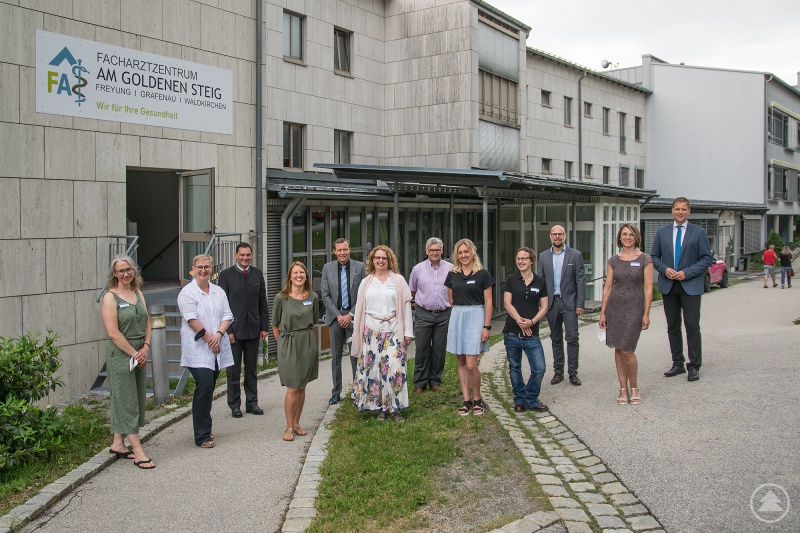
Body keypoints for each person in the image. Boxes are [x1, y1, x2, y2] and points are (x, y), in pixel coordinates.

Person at [650, 197, 713, 382]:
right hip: (669, 285)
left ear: (689, 211)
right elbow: (654, 256)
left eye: (683, 209)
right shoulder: (662, 232)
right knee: (672, 326)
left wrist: (686, 273)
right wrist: (664, 269)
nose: (680, 212)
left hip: (690, 285)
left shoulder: (699, 232)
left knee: (692, 326)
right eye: (677, 209)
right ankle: (677, 362)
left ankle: (694, 366)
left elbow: (706, 259)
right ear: (672, 210)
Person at [101, 255, 154, 470]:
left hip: (139, 350)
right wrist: (135, 353)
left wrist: (146, 348)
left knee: (136, 396)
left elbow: (147, 323)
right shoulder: (110, 297)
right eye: (121, 271)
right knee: (127, 399)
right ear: (114, 274)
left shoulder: (138, 293)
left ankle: (118, 443)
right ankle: (138, 450)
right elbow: (113, 333)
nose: (125, 274)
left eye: (128, 269)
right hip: (122, 353)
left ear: (134, 271)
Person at [351, 245, 413, 422]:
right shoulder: (366, 282)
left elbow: (406, 307)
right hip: (371, 332)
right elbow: (360, 310)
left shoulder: (398, 280)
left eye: (384, 258)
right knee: (376, 371)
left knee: (394, 368)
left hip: (394, 330)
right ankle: (379, 407)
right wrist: (359, 334)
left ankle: (395, 408)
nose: (380, 261)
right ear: (372, 260)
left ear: (389, 260)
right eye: (377, 258)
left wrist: (407, 332)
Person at [177, 254, 234, 448]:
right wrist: (210, 340)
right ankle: (201, 435)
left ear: (212, 269)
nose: (203, 271)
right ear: (193, 269)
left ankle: (206, 427)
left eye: (207, 267)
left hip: (216, 347)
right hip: (198, 349)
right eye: (199, 267)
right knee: (203, 386)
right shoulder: (187, 293)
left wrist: (218, 335)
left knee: (209, 388)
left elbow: (227, 315)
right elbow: (192, 320)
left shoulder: (218, 291)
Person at [599, 224, 653, 405]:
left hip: (635, 307)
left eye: (631, 234)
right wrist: (603, 313)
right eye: (624, 234)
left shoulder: (645, 259)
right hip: (615, 306)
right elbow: (607, 287)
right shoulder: (614, 260)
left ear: (636, 237)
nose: (628, 237)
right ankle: (623, 388)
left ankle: (634, 387)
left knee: (628, 349)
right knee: (618, 348)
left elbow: (648, 287)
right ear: (619, 238)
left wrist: (646, 313)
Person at [218, 242, 268, 418]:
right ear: (236, 255)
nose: (245, 258)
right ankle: (234, 404)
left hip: (253, 328)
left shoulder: (257, 274)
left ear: (251, 255)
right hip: (234, 330)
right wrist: (228, 331)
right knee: (233, 369)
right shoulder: (226, 275)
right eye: (242, 255)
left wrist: (264, 327)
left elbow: (263, 302)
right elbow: (222, 306)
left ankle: (252, 402)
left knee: (252, 368)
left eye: (248, 255)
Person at [445, 238, 494, 416]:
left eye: (466, 252)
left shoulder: (483, 274)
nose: (464, 255)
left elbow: (489, 302)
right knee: (461, 361)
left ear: (473, 252)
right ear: (456, 255)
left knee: (472, 364)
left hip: (476, 316)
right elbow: (451, 299)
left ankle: (478, 398)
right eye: (460, 252)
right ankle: (466, 401)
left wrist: (486, 326)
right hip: (458, 316)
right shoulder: (452, 274)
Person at [272, 262, 319, 442]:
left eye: (302, 273)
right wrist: (282, 344)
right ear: (290, 277)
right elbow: (275, 325)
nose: (299, 275)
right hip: (288, 344)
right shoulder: (281, 298)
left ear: (306, 276)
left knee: (302, 386)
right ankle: (289, 427)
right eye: (295, 273)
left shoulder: (313, 297)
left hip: (307, 343)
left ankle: (297, 423)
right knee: (292, 387)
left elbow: (313, 322)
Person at [537, 225, 586, 386]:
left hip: (569, 303)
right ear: (550, 236)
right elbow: (540, 281)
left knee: (572, 337)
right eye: (554, 234)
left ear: (565, 236)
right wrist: (540, 303)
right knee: (555, 337)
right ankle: (558, 372)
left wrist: (580, 303)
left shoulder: (575, 255)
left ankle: (573, 373)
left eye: (560, 234)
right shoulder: (543, 256)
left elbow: (580, 280)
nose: (557, 237)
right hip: (551, 303)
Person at [503, 247, 549, 412]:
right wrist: (521, 322)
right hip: (512, 333)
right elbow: (507, 303)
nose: (520, 261)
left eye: (524, 258)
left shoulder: (540, 282)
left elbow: (544, 307)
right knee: (514, 367)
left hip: (532, 334)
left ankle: (530, 398)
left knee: (539, 368)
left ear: (531, 260)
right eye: (518, 259)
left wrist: (531, 321)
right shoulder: (511, 279)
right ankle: (519, 400)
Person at [320, 238, 366, 405]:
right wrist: (339, 316)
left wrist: (351, 314)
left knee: (355, 355)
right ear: (334, 251)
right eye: (339, 250)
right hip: (335, 318)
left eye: (345, 249)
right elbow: (324, 294)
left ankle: (357, 391)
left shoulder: (360, 267)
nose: (342, 253)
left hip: (353, 317)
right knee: (336, 358)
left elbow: (363, 293)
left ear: (350, 249)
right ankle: (336, 392)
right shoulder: (327, 268)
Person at [408, 237, 453, 394]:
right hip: (423, 314)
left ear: (442, 251)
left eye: (437, 250)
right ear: (426, 251)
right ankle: (420, 383)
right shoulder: (417, 269)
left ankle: (435, 380)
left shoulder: (451, 268)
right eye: (431, 250)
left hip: (444, 314)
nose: (435, 253)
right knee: (421, 348)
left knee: (439, 349)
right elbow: (411, 291)